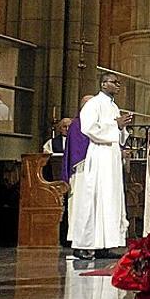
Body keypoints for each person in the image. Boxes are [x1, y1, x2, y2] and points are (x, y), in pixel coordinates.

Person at [71, 73, 132, 260]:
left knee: (110, 200)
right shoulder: (93, 104)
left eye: (118, 83)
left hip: (111, 157)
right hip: (98, 156)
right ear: (104, 84)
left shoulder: (113, 106)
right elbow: (88, 128)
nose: (118, 85)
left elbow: (118, 133)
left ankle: (105, 244)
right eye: (114, 82)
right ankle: (83, 245)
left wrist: (121, 128)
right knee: (94, 199)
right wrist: (116, 125)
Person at [63, 95, 94, 245]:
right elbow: (78, 149)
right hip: (81, 171)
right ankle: (77, 238)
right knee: (79, 204)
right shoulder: (77, 124)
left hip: (94, 171)